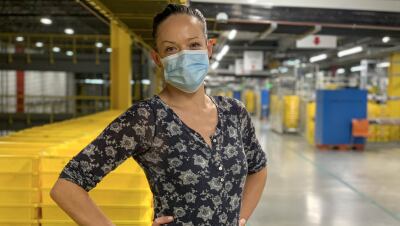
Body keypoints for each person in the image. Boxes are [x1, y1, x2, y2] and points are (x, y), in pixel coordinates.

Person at [50, 4, 267, 226]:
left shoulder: (234, 112)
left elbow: (258, 167)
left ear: (209, 48)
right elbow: (67, 186)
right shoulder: (146, 119)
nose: (184, 56)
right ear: (157, 58)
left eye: (193, 45)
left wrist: (239, 218)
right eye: (171, 49)